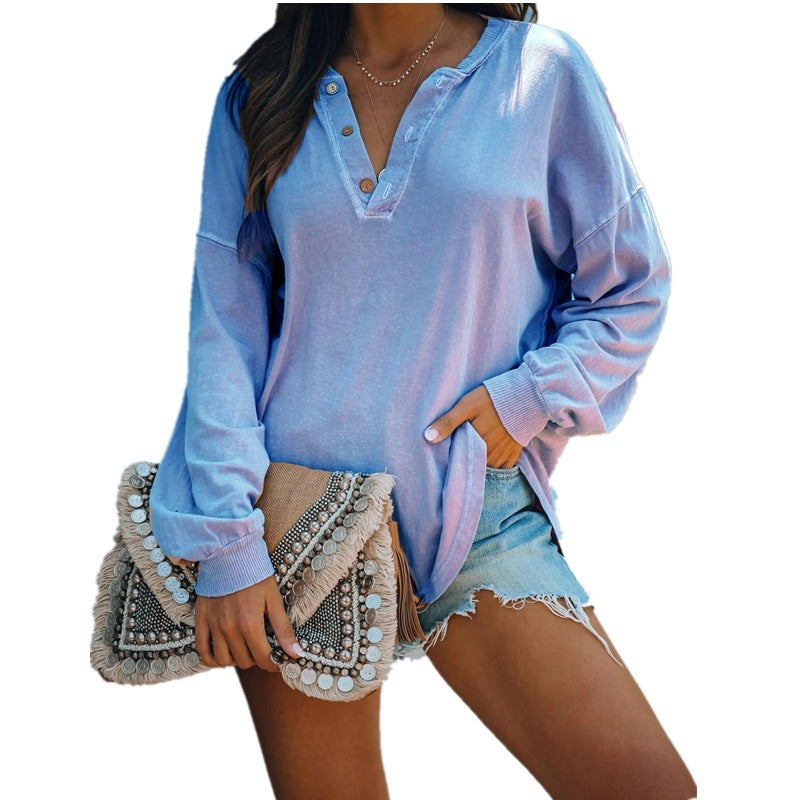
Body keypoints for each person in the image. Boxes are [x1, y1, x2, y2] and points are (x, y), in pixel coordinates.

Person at [149, 4, 697, 798]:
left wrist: (527, 398)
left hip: (471, 508)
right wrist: (228, 541)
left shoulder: (539, 72)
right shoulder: (263, 91)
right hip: (295, 524)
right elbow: (225, 329)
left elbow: (631, 284)